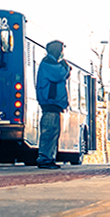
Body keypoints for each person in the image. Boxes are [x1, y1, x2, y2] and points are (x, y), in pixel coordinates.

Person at [36, 40, 70, 169]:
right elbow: (59, 75)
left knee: (52, 133)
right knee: (49, 133)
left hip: (53, 106)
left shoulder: (49, 63)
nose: (62, 53)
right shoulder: (49, 63)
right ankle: (45, 159)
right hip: (50, 105)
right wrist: (65, 66)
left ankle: (49, 158)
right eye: (61, 50)